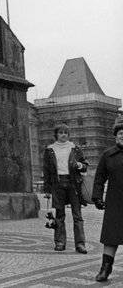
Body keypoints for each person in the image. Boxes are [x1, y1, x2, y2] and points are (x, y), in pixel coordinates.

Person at [42, 123, 89, 254]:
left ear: (68, 135)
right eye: (61, 132)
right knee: (59, 215)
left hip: (73, 183)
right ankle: (60, 242)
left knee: (77, 215)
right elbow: (46, 170)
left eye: (66, 133)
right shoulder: (49, 149)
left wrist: (79, 165)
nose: (63, 135)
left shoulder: (75, 148)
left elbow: (85, 165)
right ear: (56, 134)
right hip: (57, 184)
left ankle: (80, 244)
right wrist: (47, 189)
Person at [92, 119, 123, 282]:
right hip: (115, 201)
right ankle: (105, 269)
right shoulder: (108, 155)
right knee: (111, 236)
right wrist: (97, 196)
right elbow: (99, 177)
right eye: (120, 133)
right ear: (115, 136)